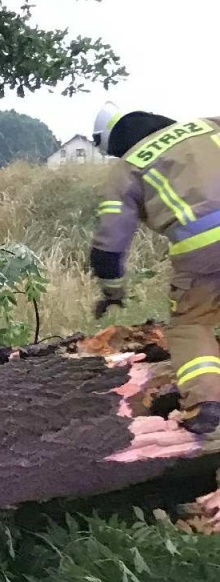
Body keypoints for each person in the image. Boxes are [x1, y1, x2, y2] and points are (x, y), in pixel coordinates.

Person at [89, 103, 220, 435]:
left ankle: (205, 404)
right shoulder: (209, 126)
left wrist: (113, 290)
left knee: (191, 325)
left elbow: (110, 243)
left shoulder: (129, 166)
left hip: (203, 252)